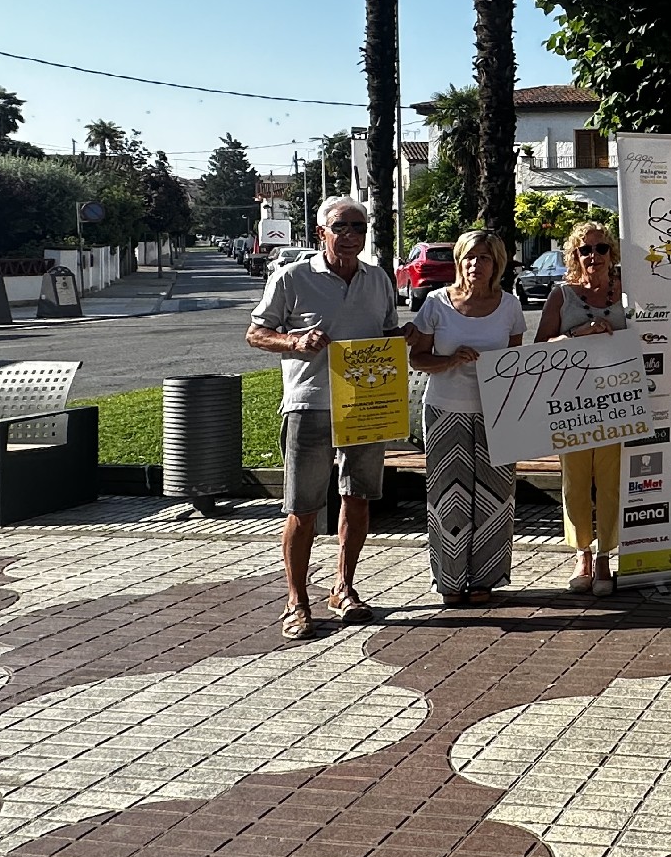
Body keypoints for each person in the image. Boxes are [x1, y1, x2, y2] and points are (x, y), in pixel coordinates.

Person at [246, 196, 400, 641]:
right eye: (341, 226)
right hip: (309, 403)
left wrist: (405, 338)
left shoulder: (378, 280)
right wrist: (294, 343)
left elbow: (388, 332)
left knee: (358, 499)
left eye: (359, 226)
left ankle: (344, 587)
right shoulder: (291, 277)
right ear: (322, 233)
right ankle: (296, 601)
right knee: (303, 507)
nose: (350, 234)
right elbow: (256, 333)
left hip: (367, 405)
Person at [406, 229, 525, 606]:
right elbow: (417, 358)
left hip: (496, 414)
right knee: (448, 497)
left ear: (497, 264)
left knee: (495, 496)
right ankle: (450, 581)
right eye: (469, 257)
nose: (476, 264)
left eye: (485, 257)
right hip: (445, 409)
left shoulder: (509, 306)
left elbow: (515, 364)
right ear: (459, 261)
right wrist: (450, 360)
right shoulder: (436, 303)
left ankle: (485, 579)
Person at [536, 219, 625, 596]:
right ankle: (582, 553)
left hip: (618, 402)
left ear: (611, 253)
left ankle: (606, 554)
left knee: (610, 482)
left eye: (600, 248)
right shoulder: (562, 295)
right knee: (574, 482)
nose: (593, 256)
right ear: (574, 255)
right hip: (571, 403)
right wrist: (576, 335)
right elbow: (539, 347)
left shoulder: (627, 293)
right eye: (584, 249)